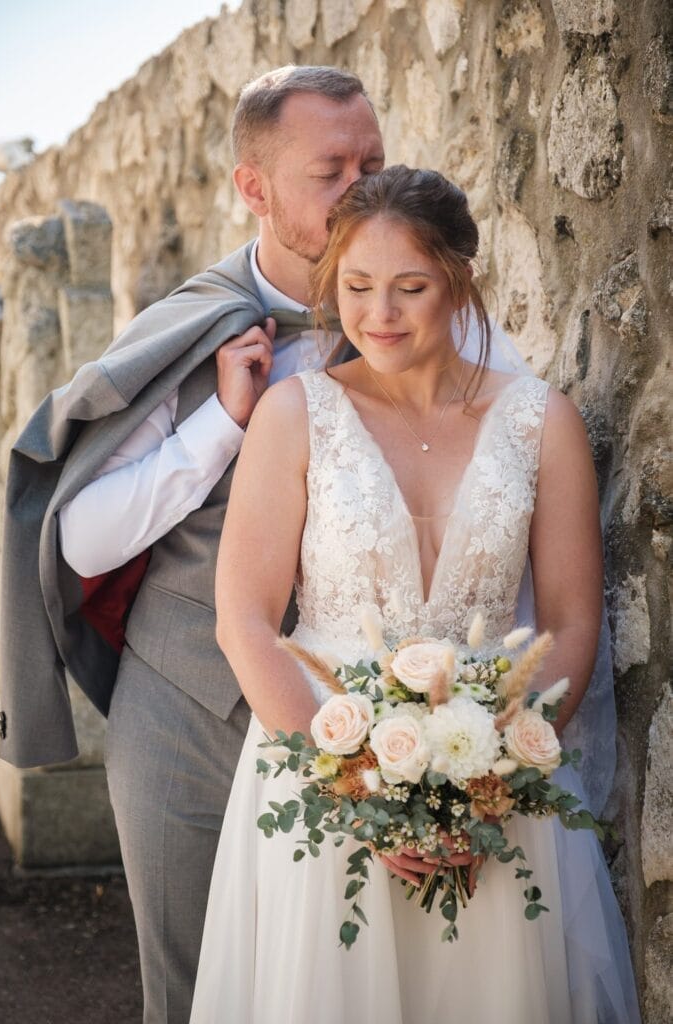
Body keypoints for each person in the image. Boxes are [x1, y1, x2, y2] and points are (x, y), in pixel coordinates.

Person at [189, 166, 641, 1023]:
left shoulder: (541, 421)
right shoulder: (296, 413)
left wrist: (496, 777)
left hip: (497, 779)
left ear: (459, 280)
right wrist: (351, 789)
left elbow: (573, 622)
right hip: (324, 776)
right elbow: (243, 618)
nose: (378, 315)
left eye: (409, 287)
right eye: (356, 287)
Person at [0, 65, 384, 1024]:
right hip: (183, 708)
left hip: (358, 708)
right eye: (329, 170)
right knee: (192, 986)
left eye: (373, 163)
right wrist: (216, 425)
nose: (361, 190)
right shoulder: (188, 326)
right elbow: (81, 535)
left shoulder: (413, 310)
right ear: (254, 188)